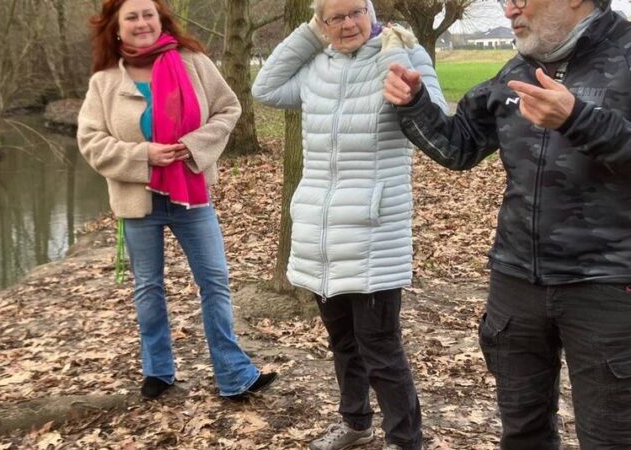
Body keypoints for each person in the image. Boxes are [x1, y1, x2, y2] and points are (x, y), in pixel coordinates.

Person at [384, 0, 631, 448]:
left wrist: (579, 120)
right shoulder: (516, 69)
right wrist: (414, 104)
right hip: (517, 282)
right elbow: (458, 147)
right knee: (523, 435)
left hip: (610, 286)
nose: (509, 9)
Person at [252, 1, 446, 448]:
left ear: (371, 11)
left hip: (374, 232)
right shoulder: (316, 68)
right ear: (321, 23)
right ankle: (356, 424)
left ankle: (404, 439)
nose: (347, 24)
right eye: (334, 17)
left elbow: (435, 113)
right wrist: (308, 36)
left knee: (381, 349)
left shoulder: (397, 54)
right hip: (321, 233)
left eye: (355, 11)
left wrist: (401, 57)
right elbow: (265, 87)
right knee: (343, 344)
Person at [77, 0, 276, 401]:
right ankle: (158, 371)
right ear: (117, 28)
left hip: (192, 193)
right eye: (131, 17)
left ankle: (233, 374)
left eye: (147, 14)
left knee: (215, 281)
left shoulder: (193, 61)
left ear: (161, 18)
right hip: (138, 200)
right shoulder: (104, 82)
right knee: (148, 287)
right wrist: (142, 156)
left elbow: (228, 109)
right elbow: (90, 141)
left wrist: (192, 145)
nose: (141, 22)